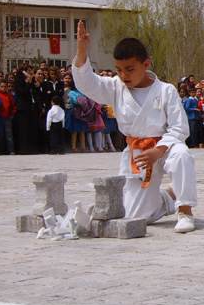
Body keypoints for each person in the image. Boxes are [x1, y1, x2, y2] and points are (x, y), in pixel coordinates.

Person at [72, 22, 197, 233]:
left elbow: (180, 128)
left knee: (182, 155)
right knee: (136, 216)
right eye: (119, 70)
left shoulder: (165, 90)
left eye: (130, 69)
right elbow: (87, 84)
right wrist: (82, 49)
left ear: (146, 64)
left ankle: (185, 210)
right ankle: (168, 197)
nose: (124, 75)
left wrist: (158, 150)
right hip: (137, 152)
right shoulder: (115, 87)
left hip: (165, 147)